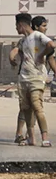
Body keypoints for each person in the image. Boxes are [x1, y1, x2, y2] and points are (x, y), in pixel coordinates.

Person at [9, 12, 55, 146]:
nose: (16, 29)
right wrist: (11, 57)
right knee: (25, 108)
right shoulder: (23, 41)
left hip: (36, 78)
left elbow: (51, 46)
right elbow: (15, 50)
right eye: (44, 25)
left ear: (20, 25)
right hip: (23, 79)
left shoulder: (39, 36)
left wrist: (41, 55)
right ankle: (30, 138)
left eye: (16, 26)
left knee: (37, 107)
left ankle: (45, 138)